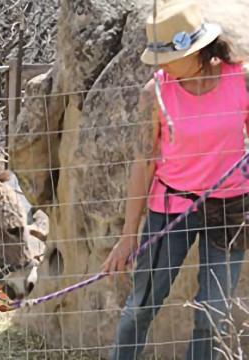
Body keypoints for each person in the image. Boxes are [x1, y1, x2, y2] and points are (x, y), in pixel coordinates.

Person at [102, 1, 249, 359]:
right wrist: (127, 236)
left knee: (212, 310)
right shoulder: (154, 93)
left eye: (167, 55)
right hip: (170, 209)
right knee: (142, 304)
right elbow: (143, 162)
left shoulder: (241, 80)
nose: (161, 65)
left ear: (195, 50)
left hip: (231, 209)